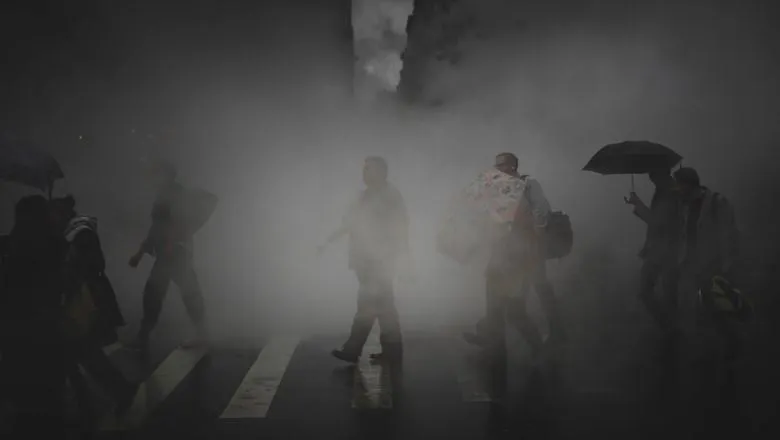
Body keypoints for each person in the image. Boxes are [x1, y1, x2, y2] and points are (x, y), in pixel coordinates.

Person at [463, 153, 566, 359]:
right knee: (493, 302)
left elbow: (541, 211)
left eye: (501, 166)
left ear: (512, 167)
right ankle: (492, 341)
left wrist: (534, 234)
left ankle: (539, 346)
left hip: (521, 253)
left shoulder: (528, 184)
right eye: (496, 166)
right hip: (501, 252)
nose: (497, 170)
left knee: (515, 309)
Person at [50, 196, 138, 421]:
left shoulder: (79, 233)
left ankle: (97, 400)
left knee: (81, 351)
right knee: (76, 353)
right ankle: (90, 402)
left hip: (84, 300)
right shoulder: (73, 231)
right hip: (80, 299)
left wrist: (66, 264)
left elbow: (90, 265)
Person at [318, 156, 411, 364]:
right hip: (365, 259)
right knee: (384, 307)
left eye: (369, 169)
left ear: (382, 172)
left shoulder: (389, 196)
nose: (365, 173)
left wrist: (405, 259)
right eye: (364, 169)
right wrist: (327, 242)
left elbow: (401, 229)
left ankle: (354, 348)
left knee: (368, 305)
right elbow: (351, 223)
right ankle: (392, 350)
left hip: (380, 261)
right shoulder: (365, 196)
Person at [0, 195, 68, 437]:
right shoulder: (56, 243)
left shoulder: (20, 245)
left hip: (22, 324)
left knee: (24, 389)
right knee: (48, 391)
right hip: (46, 323)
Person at [126, 160, 208, 353]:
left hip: (174, 252)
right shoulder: (166, 194)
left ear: (166, 175)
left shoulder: (173, 195)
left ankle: (144, 336)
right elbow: (156, 228)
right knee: (180, 292)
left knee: (158, 293)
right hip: (172, 252)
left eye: (157, 174)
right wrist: (141, 252)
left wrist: (165, 247)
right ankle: (201, 333)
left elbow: (171, 224)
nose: (153, 178)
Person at [624, 168, 683, 335]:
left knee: (653, 291)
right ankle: (671, 329)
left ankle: (671, 329)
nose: (650, 177)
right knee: (665, 292)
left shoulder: (670, 192)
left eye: (653, 173)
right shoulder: (666, 190)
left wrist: (638, 204)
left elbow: (657, 222)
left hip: (666, 249)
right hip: (662, 249)